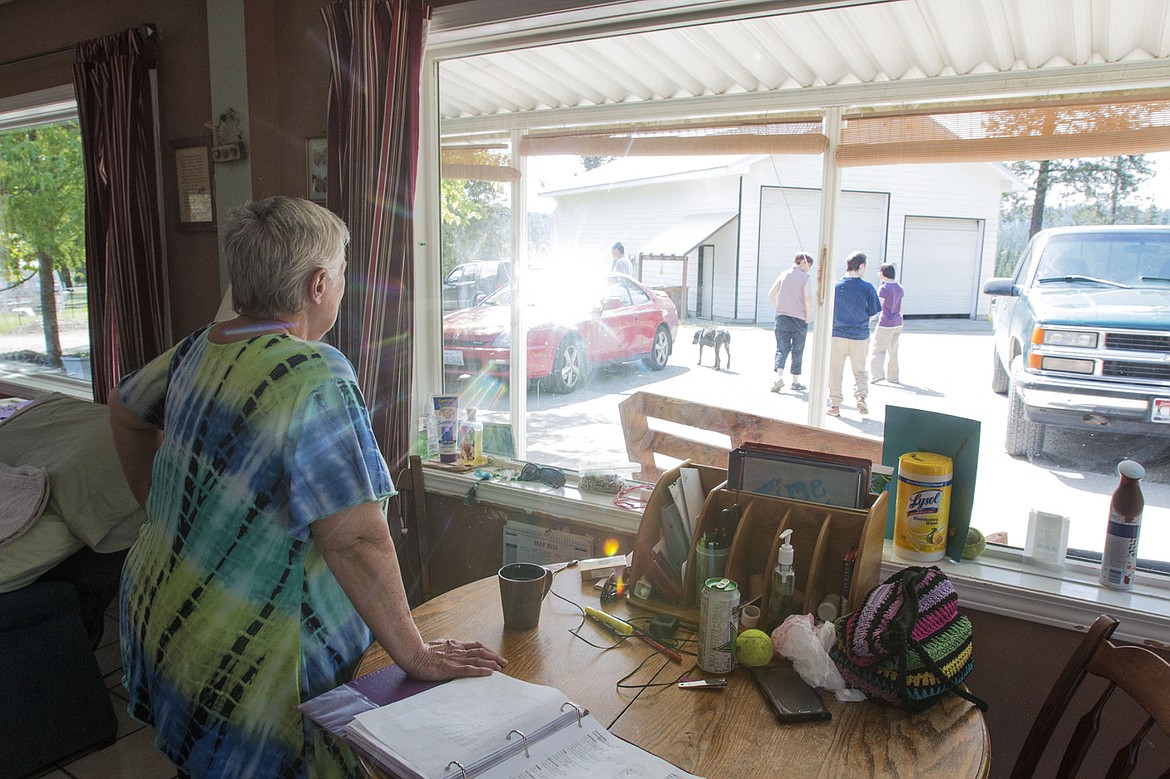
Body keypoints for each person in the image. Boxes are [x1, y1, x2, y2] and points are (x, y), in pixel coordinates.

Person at [109, 196, 506, 779]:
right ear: (319, 284)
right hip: (250, 653)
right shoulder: (314, 373)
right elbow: (355, 540)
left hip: (166, 614)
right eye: (343, 272)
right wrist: (416, 654)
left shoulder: (202, 345)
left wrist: (165, 515)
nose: (345, 284)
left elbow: (123, 412)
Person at [828, 251, 881, 417]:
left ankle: (835, 406)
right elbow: (873, 313)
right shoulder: (868, 288)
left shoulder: (835, 286)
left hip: (837, 335)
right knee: (859, 370)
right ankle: (861, 397)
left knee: (835, 370)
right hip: (860, 336)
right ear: (862, 266)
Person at [766, 251, 815, 392]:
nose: (809, 268)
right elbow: (808, 298)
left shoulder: (783, 274)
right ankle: (795, 382)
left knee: (781, 349)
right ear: (803, 262)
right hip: (799, 319)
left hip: (781, 318)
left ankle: (778, 379)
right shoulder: (806, 277)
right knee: (797, 350)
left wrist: (779, 308)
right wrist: (808, 315)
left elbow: (771, 294)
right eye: (809, 265)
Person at [870, 263, 904, 384]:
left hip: (885, 323)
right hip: (898, 323)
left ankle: (877, 375)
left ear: (884, 273)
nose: (878, 273)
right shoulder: (899, 287)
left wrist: (869, 319)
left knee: (878, 349)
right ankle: (893, 377)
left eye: (879, 271)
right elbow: (901, 307)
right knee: (893, 351)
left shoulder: (884, 288)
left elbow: (878, 306)